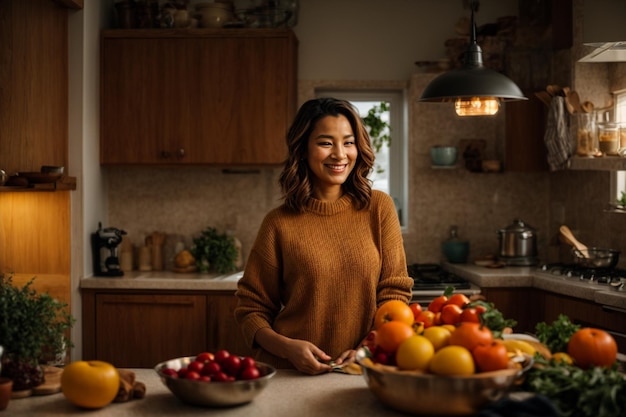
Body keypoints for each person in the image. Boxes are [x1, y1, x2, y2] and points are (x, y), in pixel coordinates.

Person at [234, 97, 413, 375]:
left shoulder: (379, 208)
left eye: (349, 142)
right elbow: (251, 309)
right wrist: (287, 347)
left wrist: (369, 346)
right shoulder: (278, 223)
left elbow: (395, 292)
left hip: (361, 369)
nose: (340, 154)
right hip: (290, 373)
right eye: (326, 143)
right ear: (303, 149)